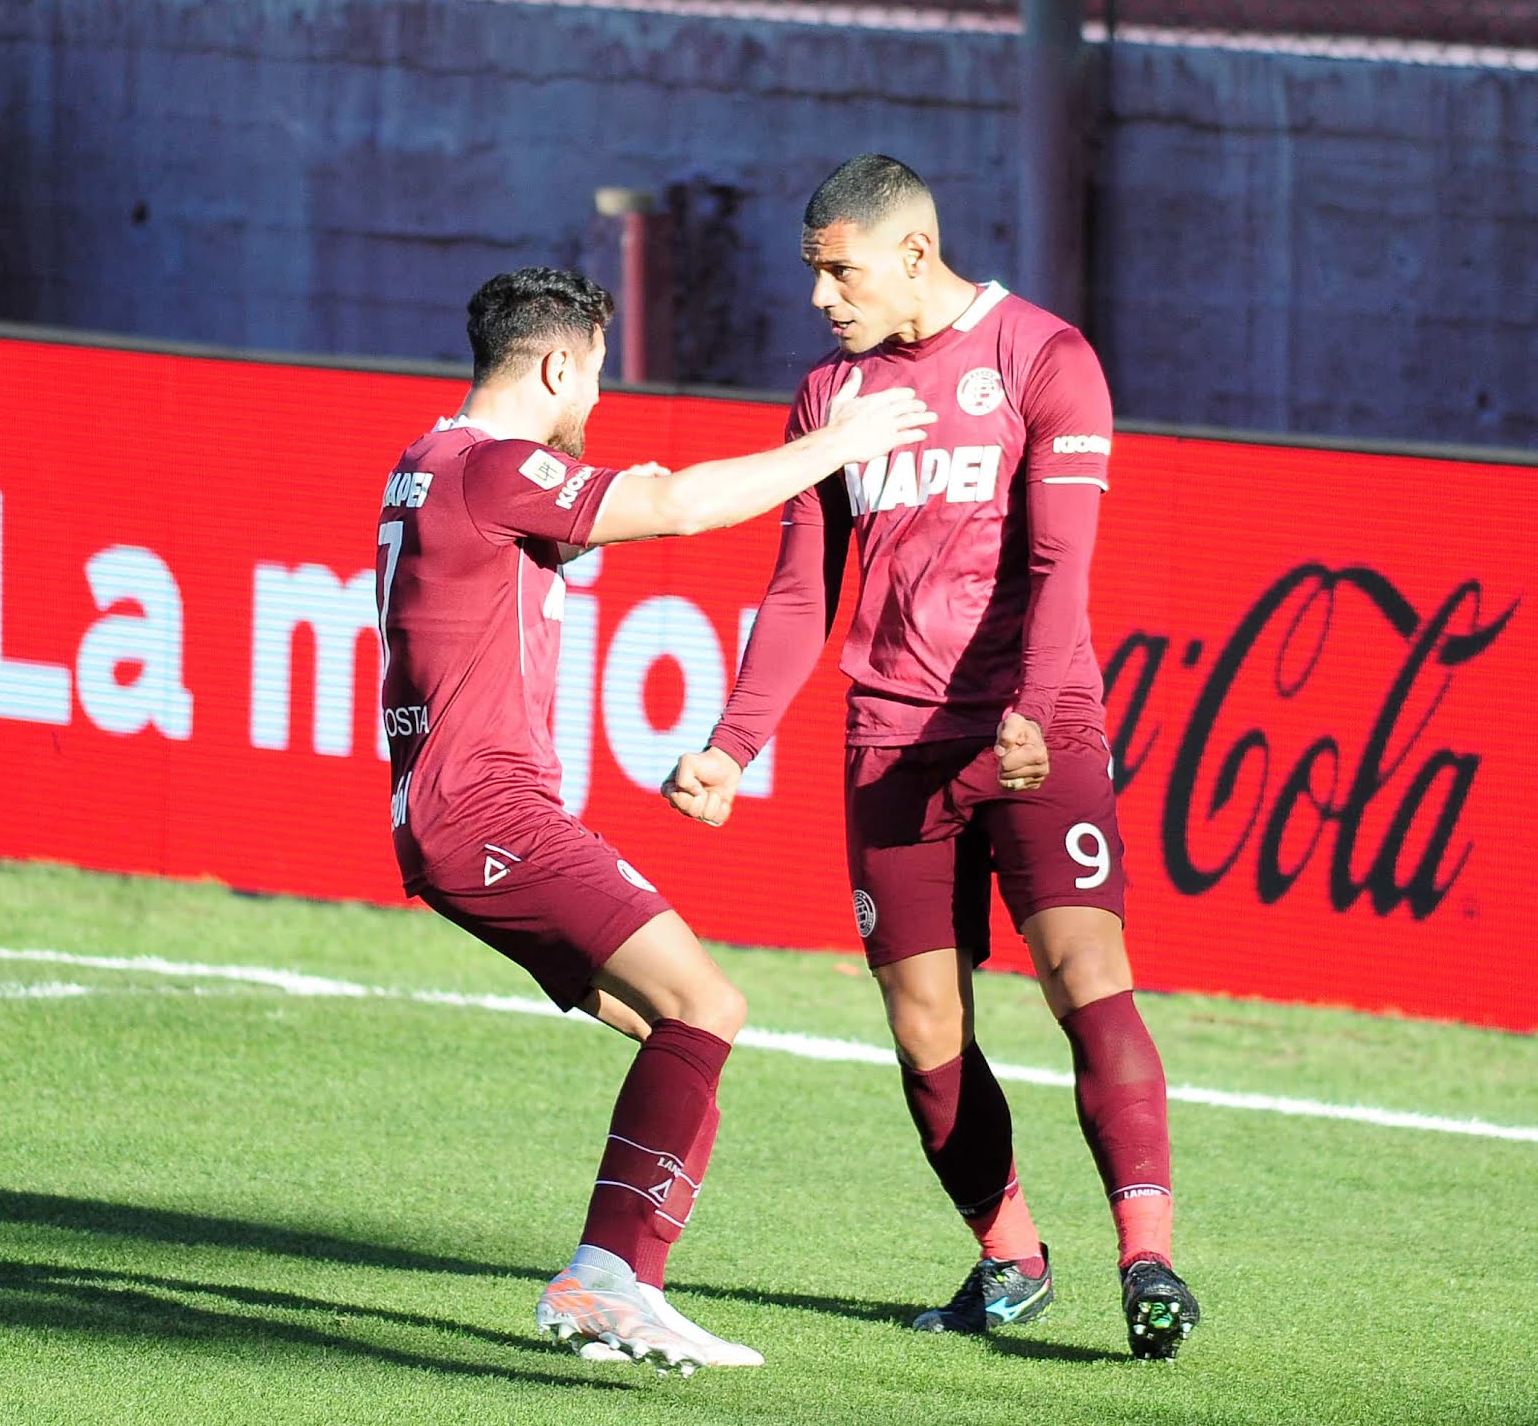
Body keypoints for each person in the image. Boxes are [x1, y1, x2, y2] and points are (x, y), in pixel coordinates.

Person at [662, 155, 1200, 1360]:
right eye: (812, 274)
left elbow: (1065, 563)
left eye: (835, 271)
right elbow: (799, 592)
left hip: (1031, 727)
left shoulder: (1042, 357)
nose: (819, 298)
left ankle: (1147, 1253)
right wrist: (730, 742)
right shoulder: (828, 398)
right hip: (889, 741)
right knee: (922, 1022)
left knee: (1082, 973)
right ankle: (1009, 1256)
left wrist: (1034, 704)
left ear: (911, 252)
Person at [376, 265, 933, 1371]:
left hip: (448, 818)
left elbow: (607, 525)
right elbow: (674, 502)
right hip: (489, 809)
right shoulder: (494, 468)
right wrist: (839, 443)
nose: (596, 403)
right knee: (706, 1000)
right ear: (554, 365)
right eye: (593, 377)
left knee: (677, 1031)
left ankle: (620, 1274)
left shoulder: (425, 463)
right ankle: (604, 1279)